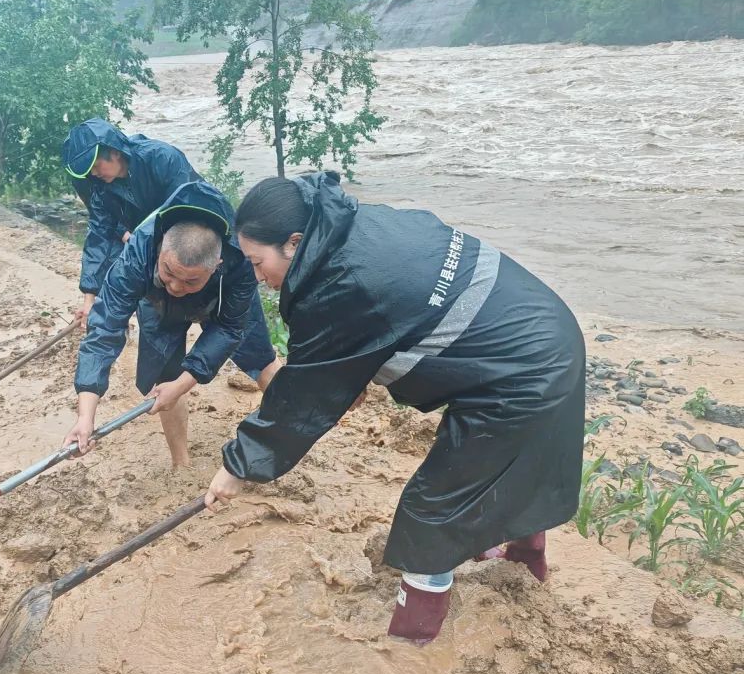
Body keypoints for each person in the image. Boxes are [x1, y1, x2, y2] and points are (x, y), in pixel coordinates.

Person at [204, 172, 586, 645]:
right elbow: (393, 312)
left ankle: (411, 646)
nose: (260, 278)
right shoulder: (356, 226)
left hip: (522, 370)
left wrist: (237, 466)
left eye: (259, 263)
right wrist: (352, 372)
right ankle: (524, 572)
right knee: (493, 466)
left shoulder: (342, 282)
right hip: (543, 326)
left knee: (432, 507)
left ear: (295, 242)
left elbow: (300, 395)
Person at [65, 181, 281, 468]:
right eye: (169, 272)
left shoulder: (241, 258)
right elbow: (105, 330)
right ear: (160, 248)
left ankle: (289, 432)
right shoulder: (138, 254)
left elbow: (229, 329)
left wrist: (185, 382)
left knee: (262, 359)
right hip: (157, 303)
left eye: (190, 280)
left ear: (216, 264)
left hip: (224, 295)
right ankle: (181, 463)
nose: (177, 287)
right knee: (166, 375)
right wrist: (85, 416)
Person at [62, 119, 201, 322]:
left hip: (196, 249)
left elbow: (185, 208)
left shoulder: (161, 158)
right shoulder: (102, 190)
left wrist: (140, 240)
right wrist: (89, 299)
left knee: (235, 328)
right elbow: (99, 237)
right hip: (154, 258)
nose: (93, 173)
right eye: (88, 170)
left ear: (115, 151)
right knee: (156, 326)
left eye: (95, 165)